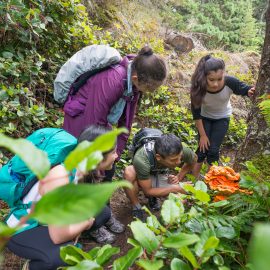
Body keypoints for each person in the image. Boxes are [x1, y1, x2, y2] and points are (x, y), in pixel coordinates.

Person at [5, 125, 121, 270]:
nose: (116, 156)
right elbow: (58, 236)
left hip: (46, 219)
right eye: (114, 152)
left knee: (101, 212)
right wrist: (85, 223)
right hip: (24, 227)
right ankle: (34, 266)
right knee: (61, 257)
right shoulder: (60, 177)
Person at [190, 55, 255, 177]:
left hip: (222, 118)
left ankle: (212, 180)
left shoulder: (230, 82)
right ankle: (194, 177)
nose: (215, 84)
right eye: (211, 79)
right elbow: (196, 115)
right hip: (204, 118)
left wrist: (250, 91)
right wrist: (203, 135)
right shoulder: (198, 87)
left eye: (219, 79)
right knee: (202, 149)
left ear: (224, 74)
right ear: (205, 77)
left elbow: (245, 89)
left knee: (213, 151)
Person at [124, 133, 197, 220]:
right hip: (143, 175)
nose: (178, 162)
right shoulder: (142, 159)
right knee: (129, 172)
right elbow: (148, 191)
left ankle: (167, 222)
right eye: (173, 160)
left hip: (160, 173)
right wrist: (175, 188)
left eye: (180, 157)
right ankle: (136, 206)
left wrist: (178, 177)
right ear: (158, 157)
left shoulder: (178, 150)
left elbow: (194, 159)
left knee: (181, 196)